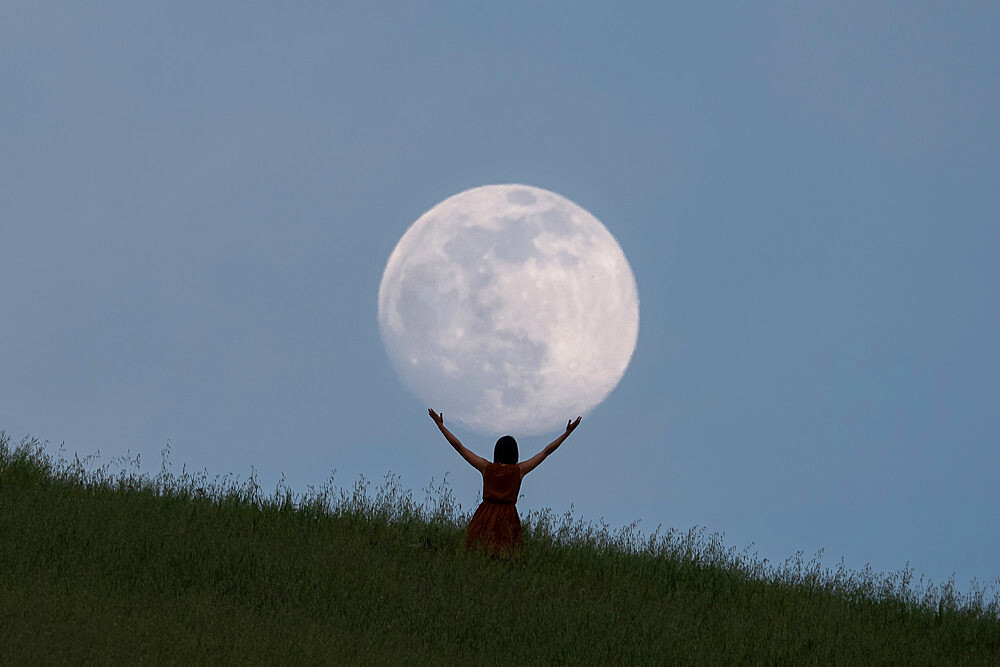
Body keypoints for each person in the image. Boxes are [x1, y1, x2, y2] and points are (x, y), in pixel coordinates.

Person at [428, 408, 581, 556]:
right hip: (508, 518)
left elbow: (459, 447)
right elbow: (546, 452)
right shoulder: (519, 470)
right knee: (505, 557)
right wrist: (567, 433)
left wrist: (440, 425)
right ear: (515, 453)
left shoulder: (486, 467)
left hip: (484, 515)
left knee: (478, 553)